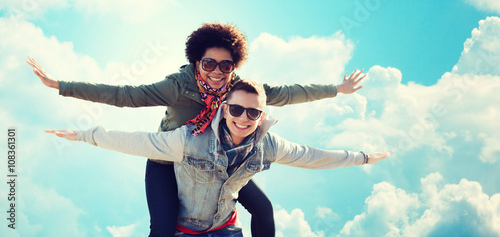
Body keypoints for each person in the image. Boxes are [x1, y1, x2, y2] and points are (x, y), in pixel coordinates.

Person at [27, 22, 366, 237]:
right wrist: (60, 85)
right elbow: (124, 95)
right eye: (209, 64)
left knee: (263, 209)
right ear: (196, 63)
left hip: (216, 160)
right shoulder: (178, 86)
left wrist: (337, 89)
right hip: (169, 158)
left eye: (226, 65)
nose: (217, 72)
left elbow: (290, 93)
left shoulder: (241, 90)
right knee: (162, 229)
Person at [46, 79, 392, 236]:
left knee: (264, 208)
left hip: (225, 230)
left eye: (252, 114)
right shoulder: (189, 139)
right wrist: (83, 134)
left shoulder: (266, 143)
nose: (244, 118)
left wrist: (361, 157)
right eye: (237, 110)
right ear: (224, 109)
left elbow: (311, 156)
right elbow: (136, 139)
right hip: (183, 225)